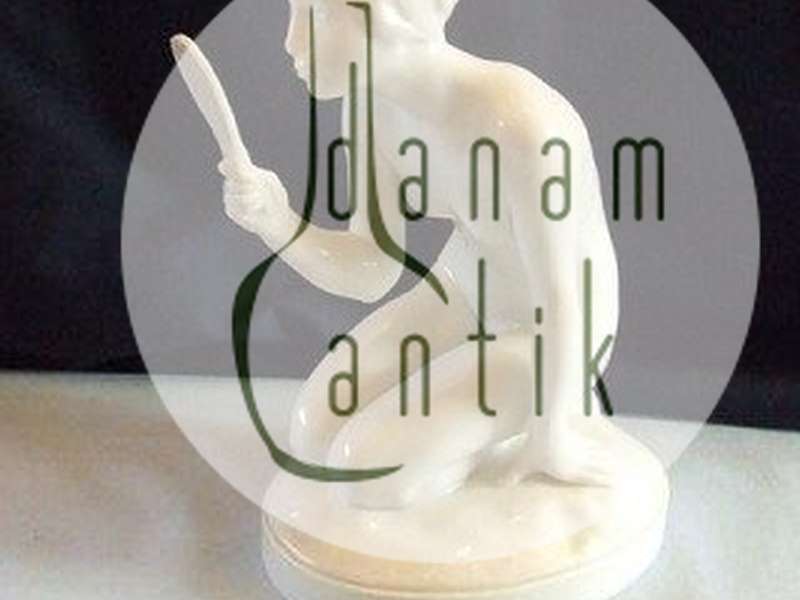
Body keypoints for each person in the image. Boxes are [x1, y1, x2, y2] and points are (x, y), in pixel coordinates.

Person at [172, 0, 621, 509]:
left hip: (552, 331)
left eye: (317, 13)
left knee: (367, 469)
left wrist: (553, 433)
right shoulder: (369, 109)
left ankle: (476, 453)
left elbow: (562, 298)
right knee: (312, 431)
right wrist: (277, 223)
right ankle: (458, 432)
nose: (292, 42)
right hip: (462, 290)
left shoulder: (526, 127)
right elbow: (372, 270)